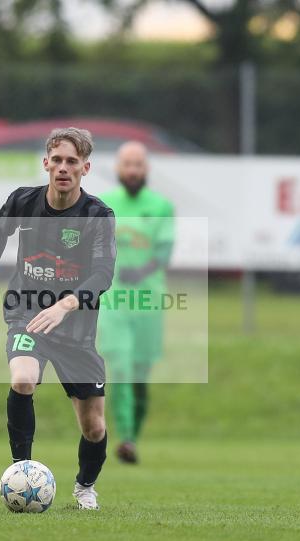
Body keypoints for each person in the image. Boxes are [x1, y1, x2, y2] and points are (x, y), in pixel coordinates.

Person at [0, 127, 116, 510]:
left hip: (76, 328)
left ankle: (85, 487)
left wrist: (64, 305)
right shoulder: (23, 201)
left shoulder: (97, 214)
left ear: (85, 168)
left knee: (95, 426)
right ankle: (22, 471)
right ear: (45, 163)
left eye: (72, 161)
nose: (63, 168)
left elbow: (103, 274)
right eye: (57, 160)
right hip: (27, 312)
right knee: (23, 379)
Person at [97, 141, 174, 465]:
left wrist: (140, 270)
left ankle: (133, 435)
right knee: (121, 366)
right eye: (127, 164)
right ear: (117, 168)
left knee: (140, 375)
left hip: (148, 301)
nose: (132, 170)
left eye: (138, 164)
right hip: (113, 301)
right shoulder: (104, 205)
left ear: (146, 169)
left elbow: (163, 253)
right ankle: (125, 437)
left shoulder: (160, 207)